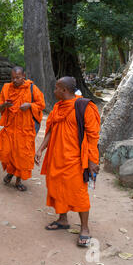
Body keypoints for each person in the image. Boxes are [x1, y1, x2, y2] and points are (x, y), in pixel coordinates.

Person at [35, 76, 100, 247]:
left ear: (64, 90)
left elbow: (93, 136)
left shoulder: (85, 106)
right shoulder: (58, 107)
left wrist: (93, 161)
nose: (54, 91)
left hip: (75, 160)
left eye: (56, 88)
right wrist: (41, 149)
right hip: (56, 158)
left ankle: (84, 228)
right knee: (56, 189)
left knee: (79, 194)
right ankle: (62, 220)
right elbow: (51, 130)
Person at [0, 66, 45, 191]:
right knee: (8, 152)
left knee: (22, 155)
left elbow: (41, 105)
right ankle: (10, 173)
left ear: (24, 76)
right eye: (12, 78)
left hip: (25, 129)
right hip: (10, 128)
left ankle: (18, 181)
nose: (14, 80)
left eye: (17, 77)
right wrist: (5, 105)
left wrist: (29, 105)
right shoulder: (6, 88)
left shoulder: (32, 88)